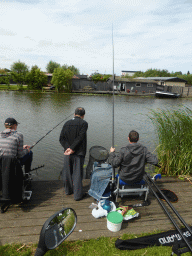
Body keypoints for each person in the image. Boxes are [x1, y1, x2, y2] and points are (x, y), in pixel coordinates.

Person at [59, 107, 88, 201]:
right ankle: (78, 196)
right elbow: (80, 137)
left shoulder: (66, 123)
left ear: (74, 114)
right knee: (77, 174)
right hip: (78, 153)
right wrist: (72, 148)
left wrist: (67, 148)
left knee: (67, 172)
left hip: (67, 153)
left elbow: (61, 138)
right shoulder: (84, 123)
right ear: (83, 115)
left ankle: (68, 191)